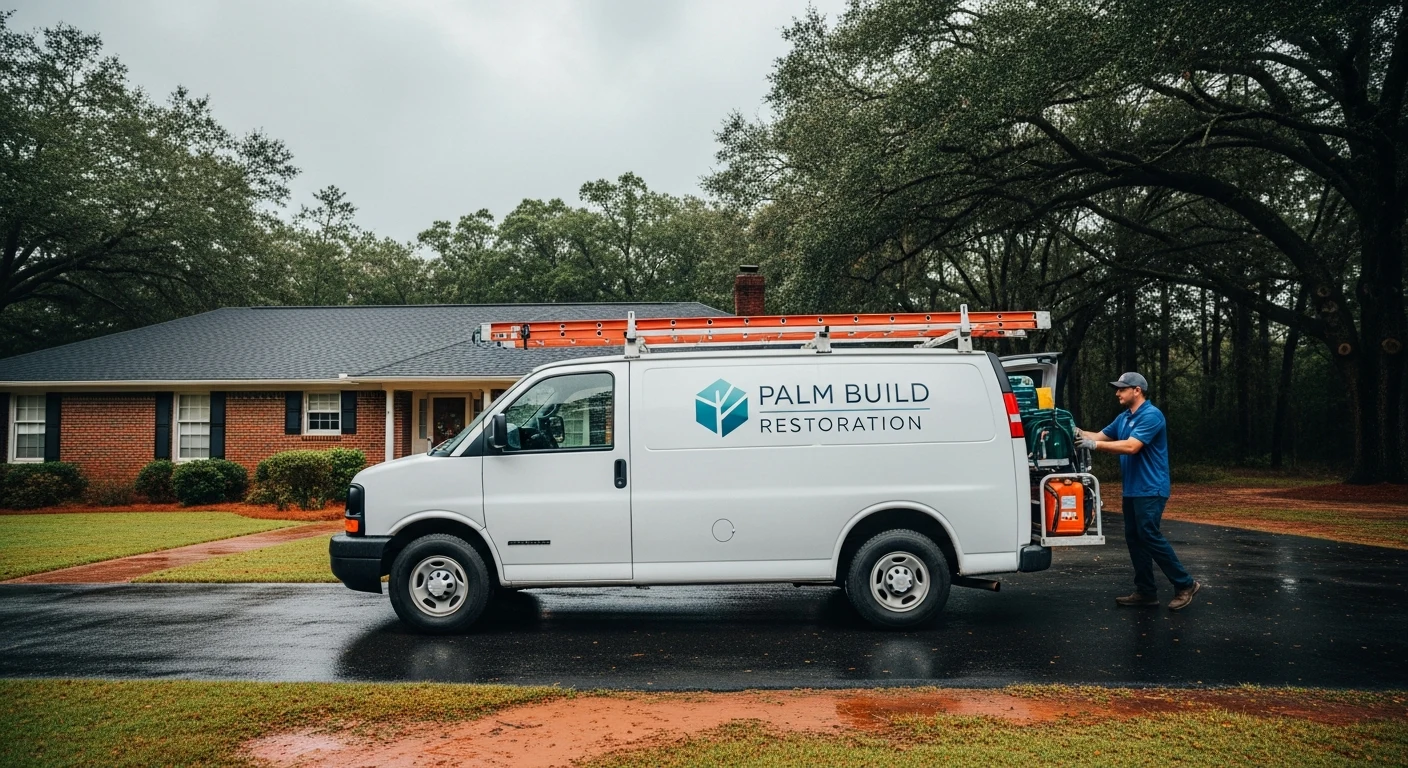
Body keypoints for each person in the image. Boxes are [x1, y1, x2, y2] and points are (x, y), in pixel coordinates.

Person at [1076, 372, 1200, 611]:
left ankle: (1185, 584)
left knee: (1148, 534)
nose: (1117, 393)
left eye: (1122, 389)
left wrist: (1096, 445)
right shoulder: (1123, 418)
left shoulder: (1152, 415)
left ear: (1137, 390)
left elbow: (1132, 446)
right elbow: (1097, 436)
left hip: (1151, 488)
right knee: (1135, 538)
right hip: (1133, 489)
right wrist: (1075, 431)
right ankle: (1146, 592)